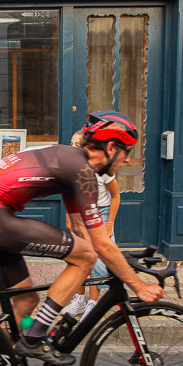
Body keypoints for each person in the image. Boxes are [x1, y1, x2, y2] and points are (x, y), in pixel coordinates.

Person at [0, 111, 162, 365]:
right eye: (126, 152)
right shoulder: (82, 170)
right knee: (85, 257)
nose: (126, 160)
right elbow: (98, 243)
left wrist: (116, 261)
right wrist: (138, 285)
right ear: (111, 147)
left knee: (26, 300)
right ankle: (35, 337)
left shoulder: (71, 161)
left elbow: (80, 228)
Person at [63, 130, 121, 320]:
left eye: (77, 144)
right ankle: (79, 299)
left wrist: (110, 224)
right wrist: (69, 216)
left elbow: (116, 197)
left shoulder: (102, 168)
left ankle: (93, 303)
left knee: (94, 259)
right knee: (79, 257)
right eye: (71, 144)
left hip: (101, 213)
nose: (73, 148)